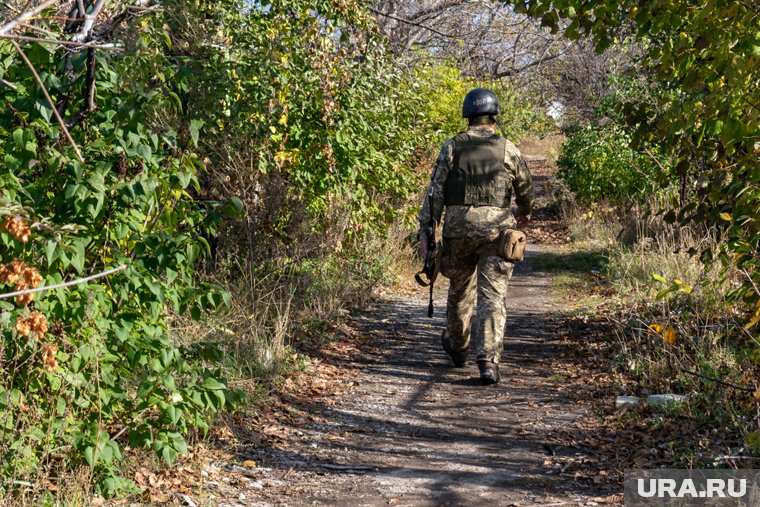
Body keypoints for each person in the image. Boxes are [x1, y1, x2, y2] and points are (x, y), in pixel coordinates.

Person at [417, 88, 534, 385]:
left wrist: (427, 231)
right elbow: (525, 188)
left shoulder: (452, 147)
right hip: (497, 231)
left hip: (459, 231)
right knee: (492, 296)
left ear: (468, 114)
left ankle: (458, 349)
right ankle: (489, 363)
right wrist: (524, 212)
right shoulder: (509, 148)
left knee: (459, 291)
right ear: (493, 116)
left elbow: (435, 193)